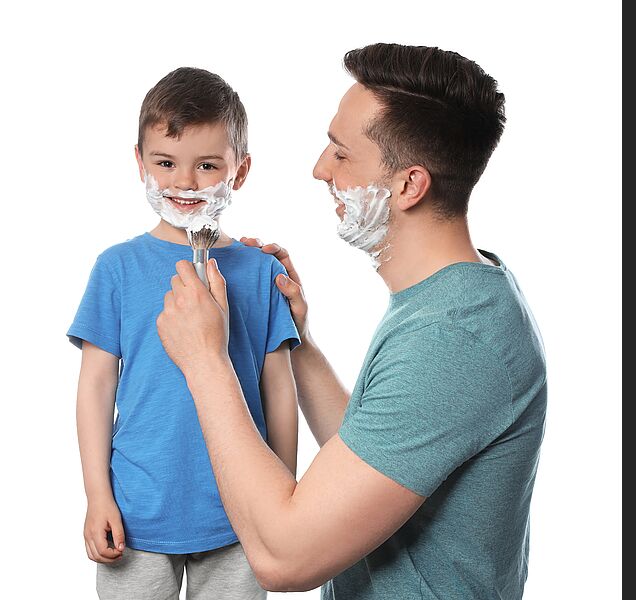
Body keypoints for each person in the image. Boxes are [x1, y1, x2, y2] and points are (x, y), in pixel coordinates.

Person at [157, 44, 548, 599]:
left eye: (341, 155)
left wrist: (204, 359)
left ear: (409, 185)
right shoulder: (451, 298)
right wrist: (301, 346)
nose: (319, 169)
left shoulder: (453, 338)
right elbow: (379, 460)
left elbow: (283, 558)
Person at [66, 67, 299, 600]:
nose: (185, 182)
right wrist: (96, 495)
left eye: (207, 165)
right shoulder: (117, 268)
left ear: (239, 171)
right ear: (139, 163)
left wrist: (283, 502)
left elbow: (279, 390)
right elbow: (96, 388)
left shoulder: (261, 272)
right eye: (165, 162)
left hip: (240, 516)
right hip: (138, 514)